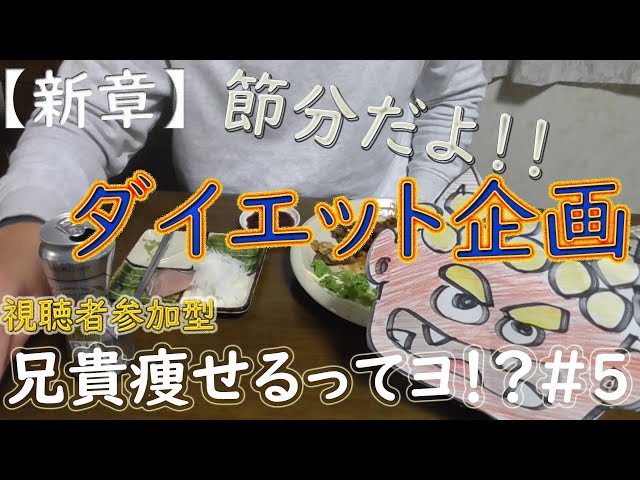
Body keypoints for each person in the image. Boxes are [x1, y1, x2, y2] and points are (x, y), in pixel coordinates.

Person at [0, 60, 487, 379]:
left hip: (379, 237)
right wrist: (24, 222)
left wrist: (420, 203)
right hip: (213, 240)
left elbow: (452, 97)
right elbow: (86, 109)